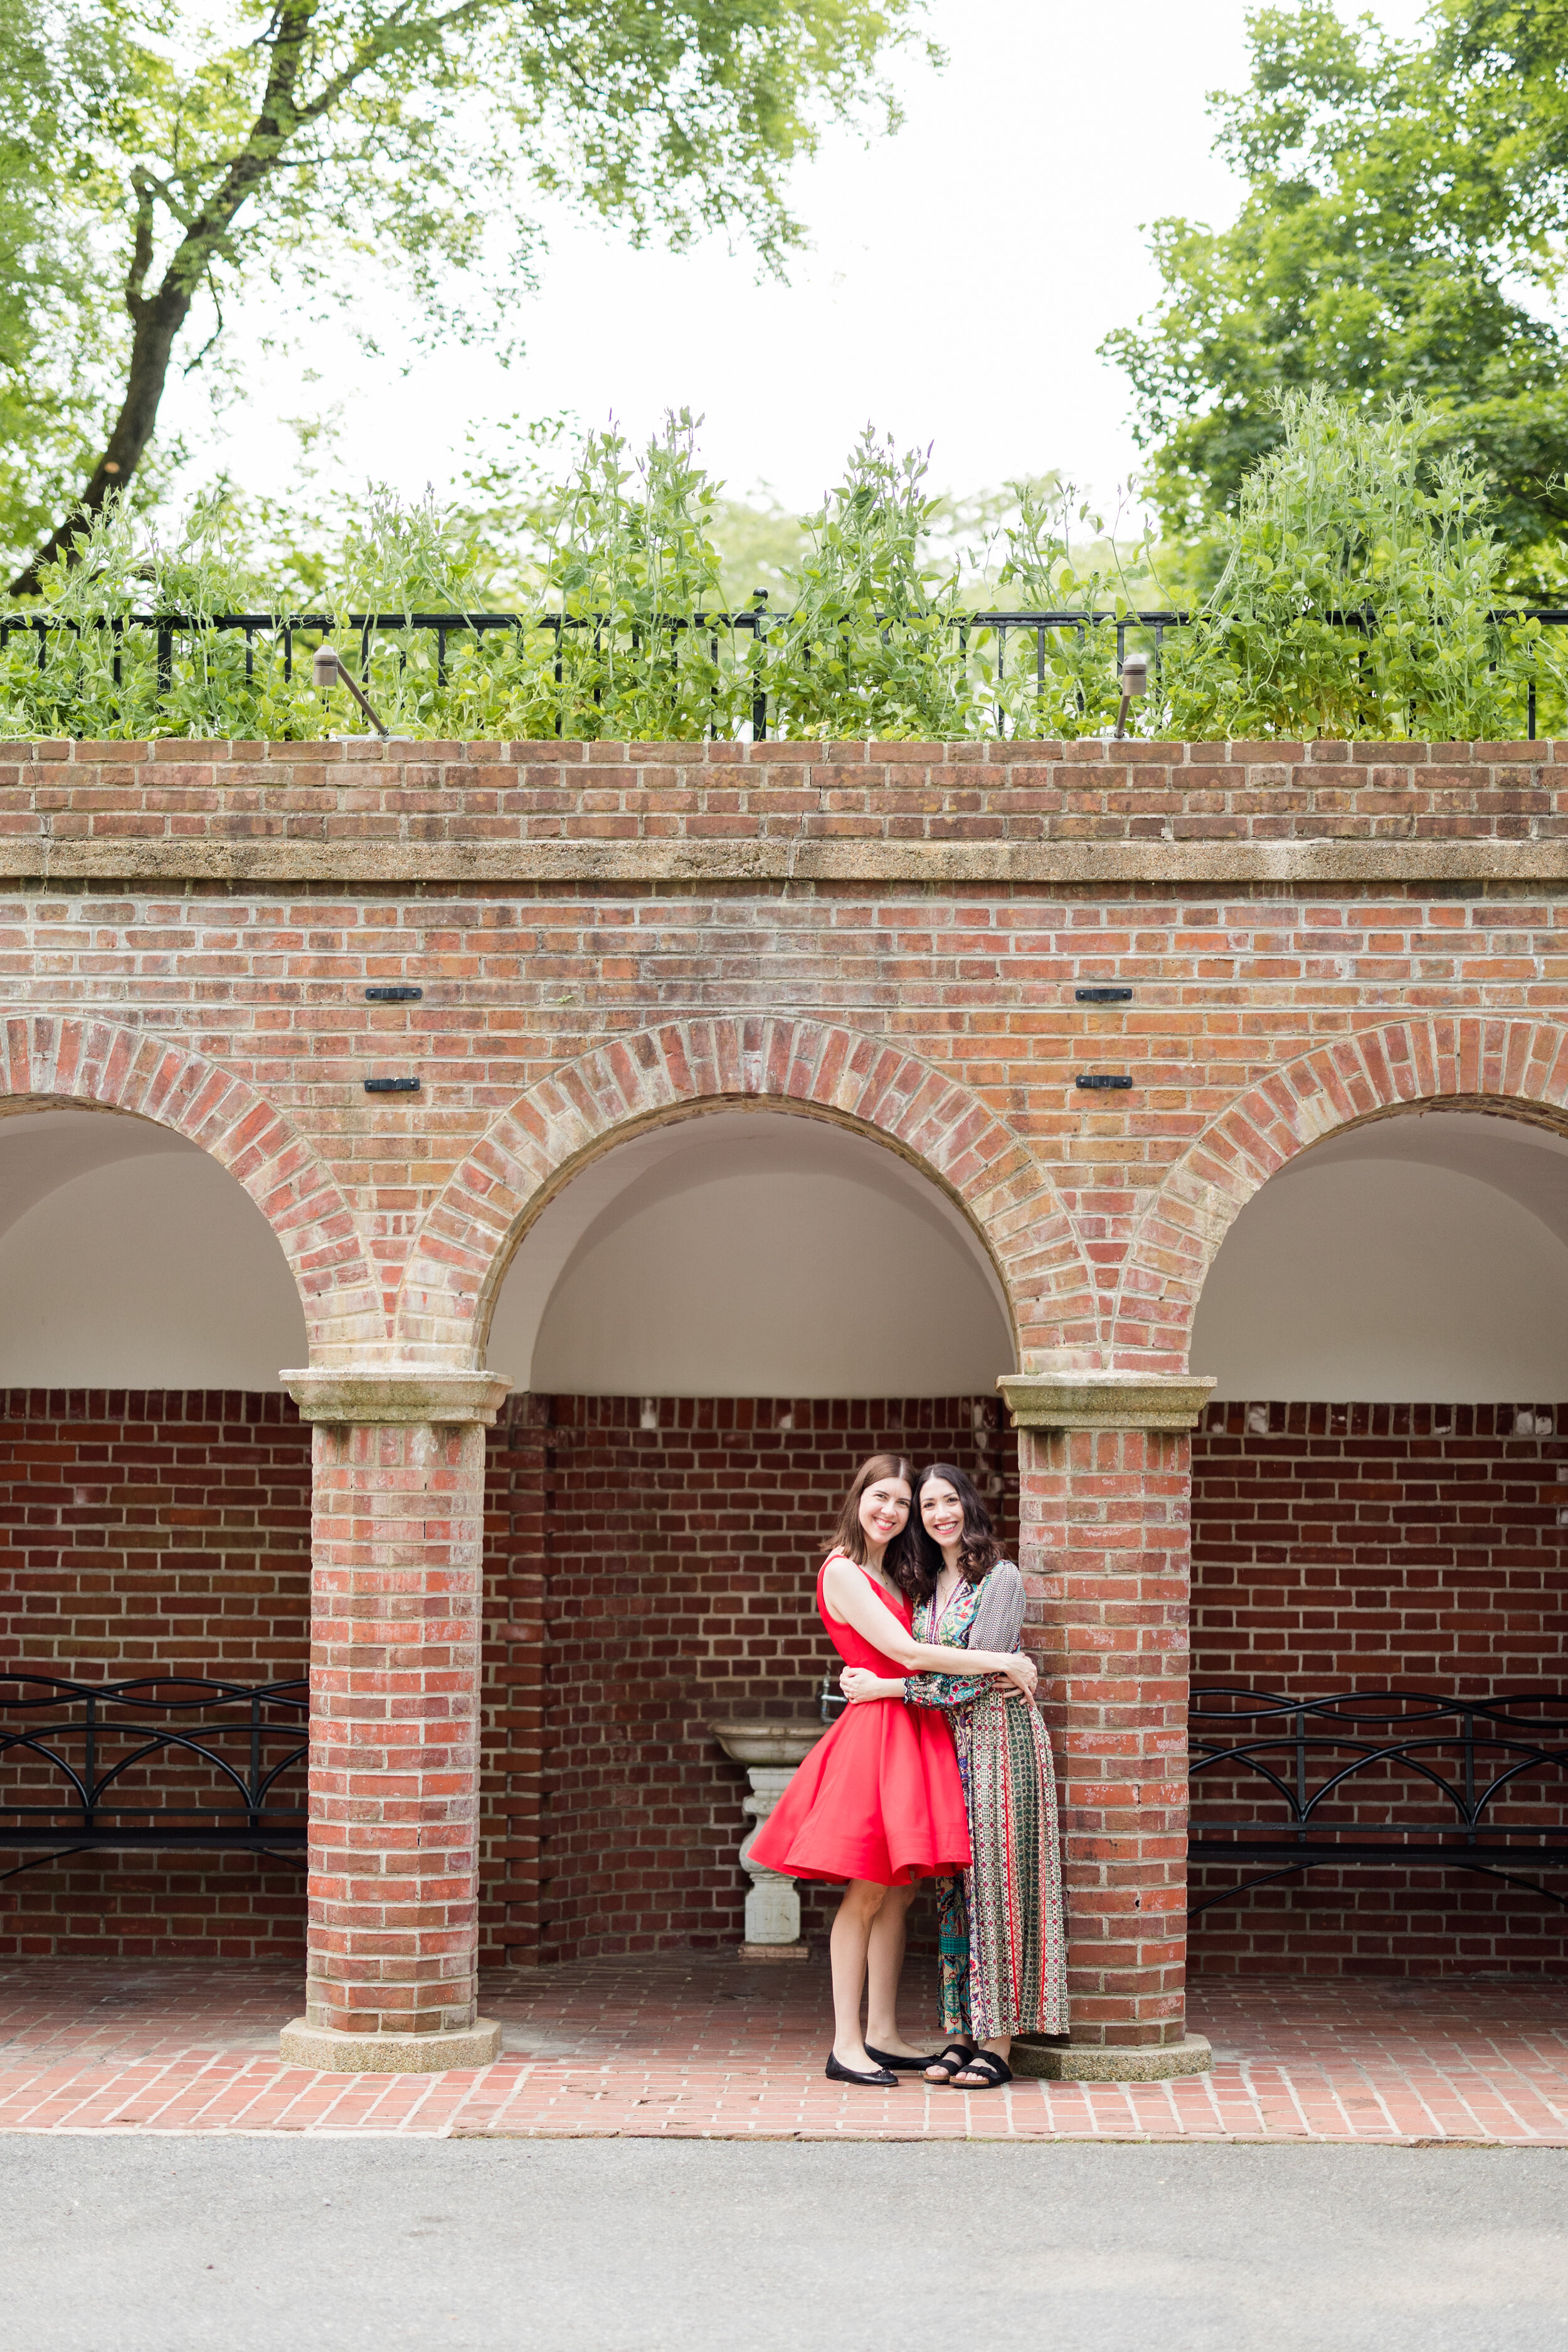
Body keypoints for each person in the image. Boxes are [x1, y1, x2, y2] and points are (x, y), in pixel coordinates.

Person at [748, 1451, 1039, 2088]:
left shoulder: (894, 1575)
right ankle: (846, 2044)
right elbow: (907, 1653)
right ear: (857, 1500)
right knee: (868, 1889)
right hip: (879, 1733)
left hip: (914, 1731)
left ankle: (881, 2031)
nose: (891, 1511)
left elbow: (914, 1653)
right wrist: (1002, 1662)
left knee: (900, 1889)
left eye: (901, 1503)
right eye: (880, 1497)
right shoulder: (846, 1571)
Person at [840, 1461, 1068, 2091]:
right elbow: (935, 1661)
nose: (940, 1514)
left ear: (969, 1506)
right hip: (941, 1754)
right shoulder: (920, 1586)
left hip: (998, 1747)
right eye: (928, 1506)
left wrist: (883, 1689)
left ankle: (998, 2042)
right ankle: (961, 2032)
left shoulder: (1000, 1578)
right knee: (953, 1897)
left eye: (949, 1501)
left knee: (998, 1892)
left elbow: (973, 1681)